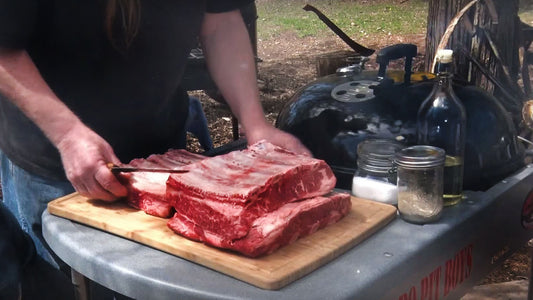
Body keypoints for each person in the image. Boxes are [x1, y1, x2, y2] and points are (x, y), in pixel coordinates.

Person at [0, 0, 310, 272]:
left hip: (166, 160)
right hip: (57, 169)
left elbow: (220, 22)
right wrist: (68, 134)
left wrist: (255, 123)